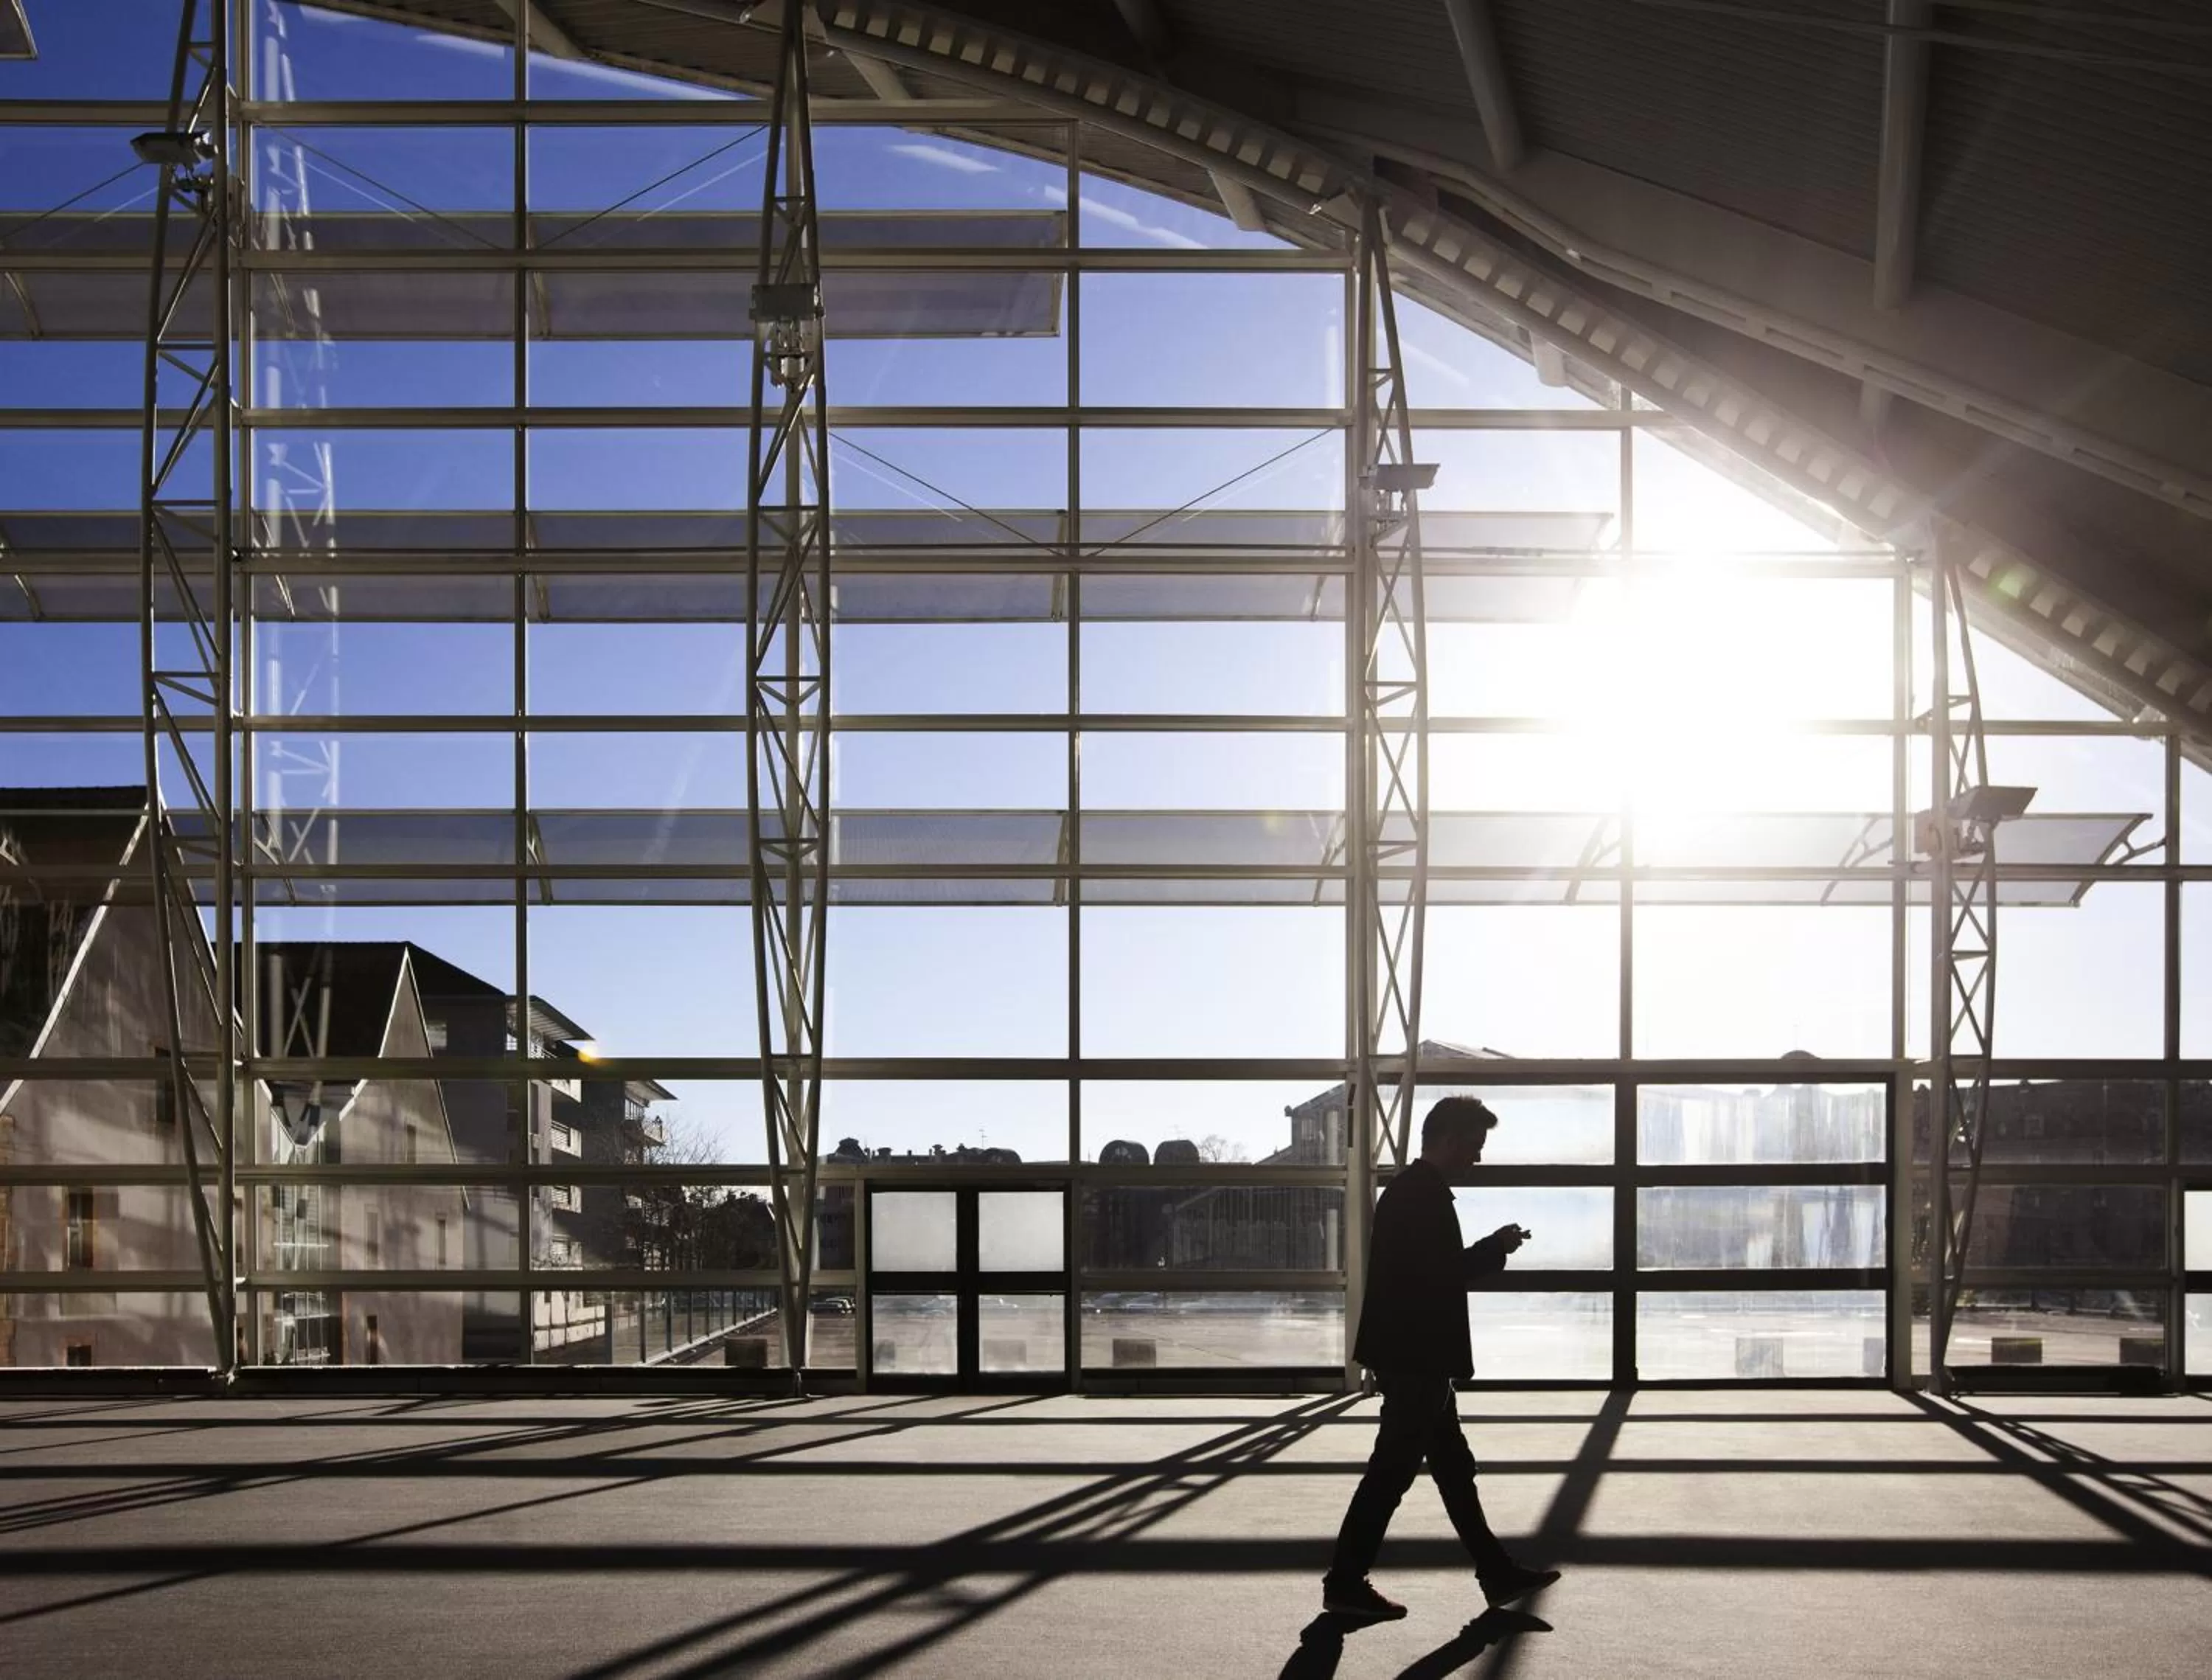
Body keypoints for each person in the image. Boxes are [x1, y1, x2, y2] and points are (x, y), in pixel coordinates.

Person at [1321, 1095, 1561, 1622]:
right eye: (1474, 1147)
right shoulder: (1421, 1197)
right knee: (1392, 1473)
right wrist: (1495, 1249)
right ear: (1450, 1141)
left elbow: (1424, 1274)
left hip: (1413, 1356)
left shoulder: (1410, 1193)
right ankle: (1345, 1581)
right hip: (1419, 1359)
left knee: (1452, 1467)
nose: (1476, 1158)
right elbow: (1441, 1276)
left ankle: (1495, 1571)